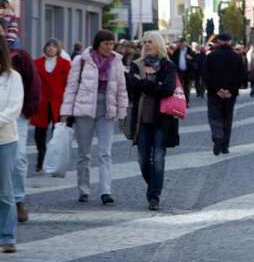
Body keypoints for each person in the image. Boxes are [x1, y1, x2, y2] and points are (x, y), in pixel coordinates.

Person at [61, 30, 129, 205]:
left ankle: (106, 191)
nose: (108, 47)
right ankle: (83, 189)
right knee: (84, 153)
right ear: (97, 43)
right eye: (105, 43)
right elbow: (71, 87)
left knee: (105, 153)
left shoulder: (117, 62)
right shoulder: (81, 60)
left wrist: (122, 112)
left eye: (111, 43)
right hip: (84, 110)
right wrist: (65, 112)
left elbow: (122, 89)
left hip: (106, 110)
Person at [127, 32, 179, 211]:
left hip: (161, 119)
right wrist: (154, 86)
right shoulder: (136, 64)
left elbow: (168, 89)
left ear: (158, 44)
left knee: (157, 158)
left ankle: (154, 196)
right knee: (142, 160)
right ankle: (154, 185)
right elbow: (132, 86)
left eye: (151, 42)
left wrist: (145, 84)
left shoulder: (167, 65)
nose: (147, 45)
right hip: (141, 119)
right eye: (145, 42)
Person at [7, 29, 39, 224]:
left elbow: (33, 84)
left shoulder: (21, 56)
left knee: (18, 158)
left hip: (17, 115)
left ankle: (18, 199)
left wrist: (28, 109)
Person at [0, 39, 27, 252]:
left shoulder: (13, 78)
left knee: (5, 190)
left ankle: (7, 236)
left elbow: (13, 109)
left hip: (5, 139)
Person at [202, 33, 246, 156]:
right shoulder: (236, 57)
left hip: (214, 93)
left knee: (214, 117)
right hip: (230, 94)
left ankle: (217, 136)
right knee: (227, 117)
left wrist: (217, 90)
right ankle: (225, 145)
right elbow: (241, 76)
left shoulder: (211, 57)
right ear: (230, 42)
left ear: (218, 42)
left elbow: (206, 75)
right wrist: (230, 90)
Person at [30, 39, 70, 173]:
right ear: (45, 48)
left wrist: (68, 105)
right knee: (39, 134)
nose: (51, 48)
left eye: (54, 46)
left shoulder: (65, 64)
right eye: (49, 45)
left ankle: (53, 161)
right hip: (41, 103)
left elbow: (69, 85)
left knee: (56, 134)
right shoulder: (36, 63)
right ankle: (41, 157)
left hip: (58, 103)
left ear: (58, 49)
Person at [170, 38, 196, 106]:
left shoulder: (191, 51)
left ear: (186, 43)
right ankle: (180, 101)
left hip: (188, 72)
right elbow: (172, 61)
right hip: (179, 72)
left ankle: (186, 102)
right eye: (180, 43)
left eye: (183, 43)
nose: (181, 44)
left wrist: (190, 59)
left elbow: (195, 62)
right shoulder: (177, 51)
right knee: (179, 88)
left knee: (186, 88)